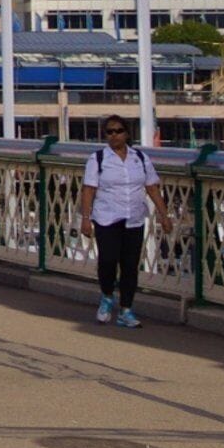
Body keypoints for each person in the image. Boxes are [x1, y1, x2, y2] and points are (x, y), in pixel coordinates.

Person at [81, 116, 153, 327]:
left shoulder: (139, 157)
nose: (114, 135)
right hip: (107, 217)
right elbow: (89, 189)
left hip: (134, 217)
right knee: (108, 260)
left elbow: (152, 186)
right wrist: (86, 219)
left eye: (119, 131)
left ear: (127, 133)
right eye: (110, 132)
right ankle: (106, 296)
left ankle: (126, 310)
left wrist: (164, 215)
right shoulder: (98, 159)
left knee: (130, 266)